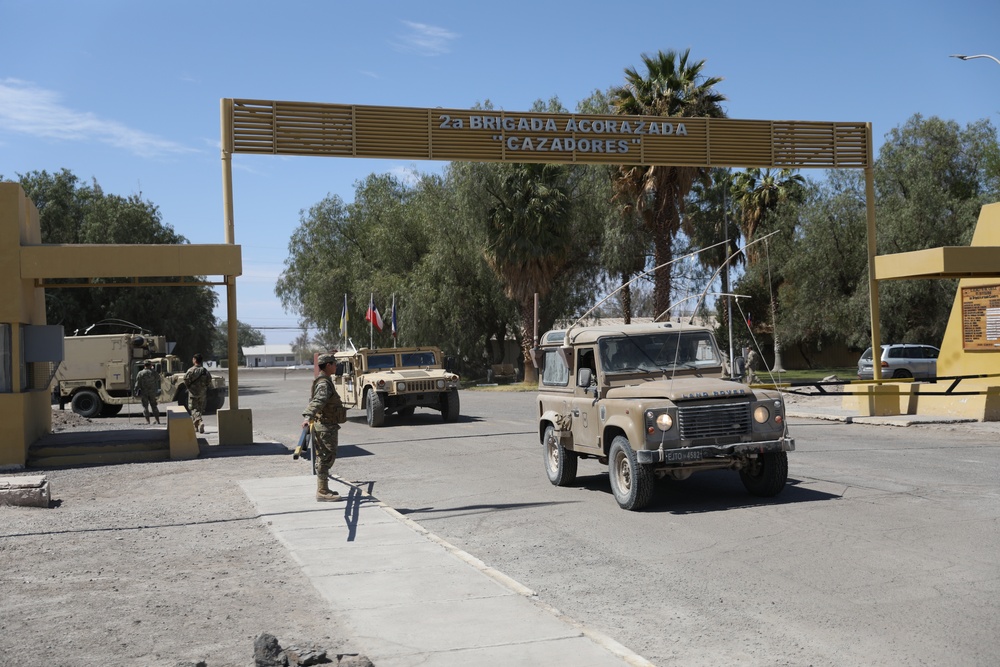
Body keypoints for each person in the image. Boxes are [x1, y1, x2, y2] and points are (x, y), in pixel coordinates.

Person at [301, 353, 347, 502]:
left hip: (328, 425)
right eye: (334, 363)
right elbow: (318, 401)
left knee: (326, 457)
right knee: (325, 458)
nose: (336, 366)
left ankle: (324, 488)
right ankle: (322, 491)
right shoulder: (324, 384)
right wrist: (308, 416)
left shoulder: (325, 381)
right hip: (325, 426)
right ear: (328, 365)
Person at [183, 353, 213, 434]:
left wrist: (189, 387)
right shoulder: (204, 371)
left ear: (195, 360)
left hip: (193, 393)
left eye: (193, 359)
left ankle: (200, 422)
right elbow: (209, 380)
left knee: (193, 409)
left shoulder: (191, 370)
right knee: (199, 409)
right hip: (202, 393)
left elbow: (185, 380)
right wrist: (204, 387)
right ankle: (195, 427)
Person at [135, 360, 162, 424]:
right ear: (150, 365)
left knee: (145, 407)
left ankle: (148, 421)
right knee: (154, 406)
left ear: (144, 365)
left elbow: (137, 383)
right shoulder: (153, 372)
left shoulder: (140, 373)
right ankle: (158, 420)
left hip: (144, 392)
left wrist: (136, 389)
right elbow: (158, 378)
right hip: (152, 392)